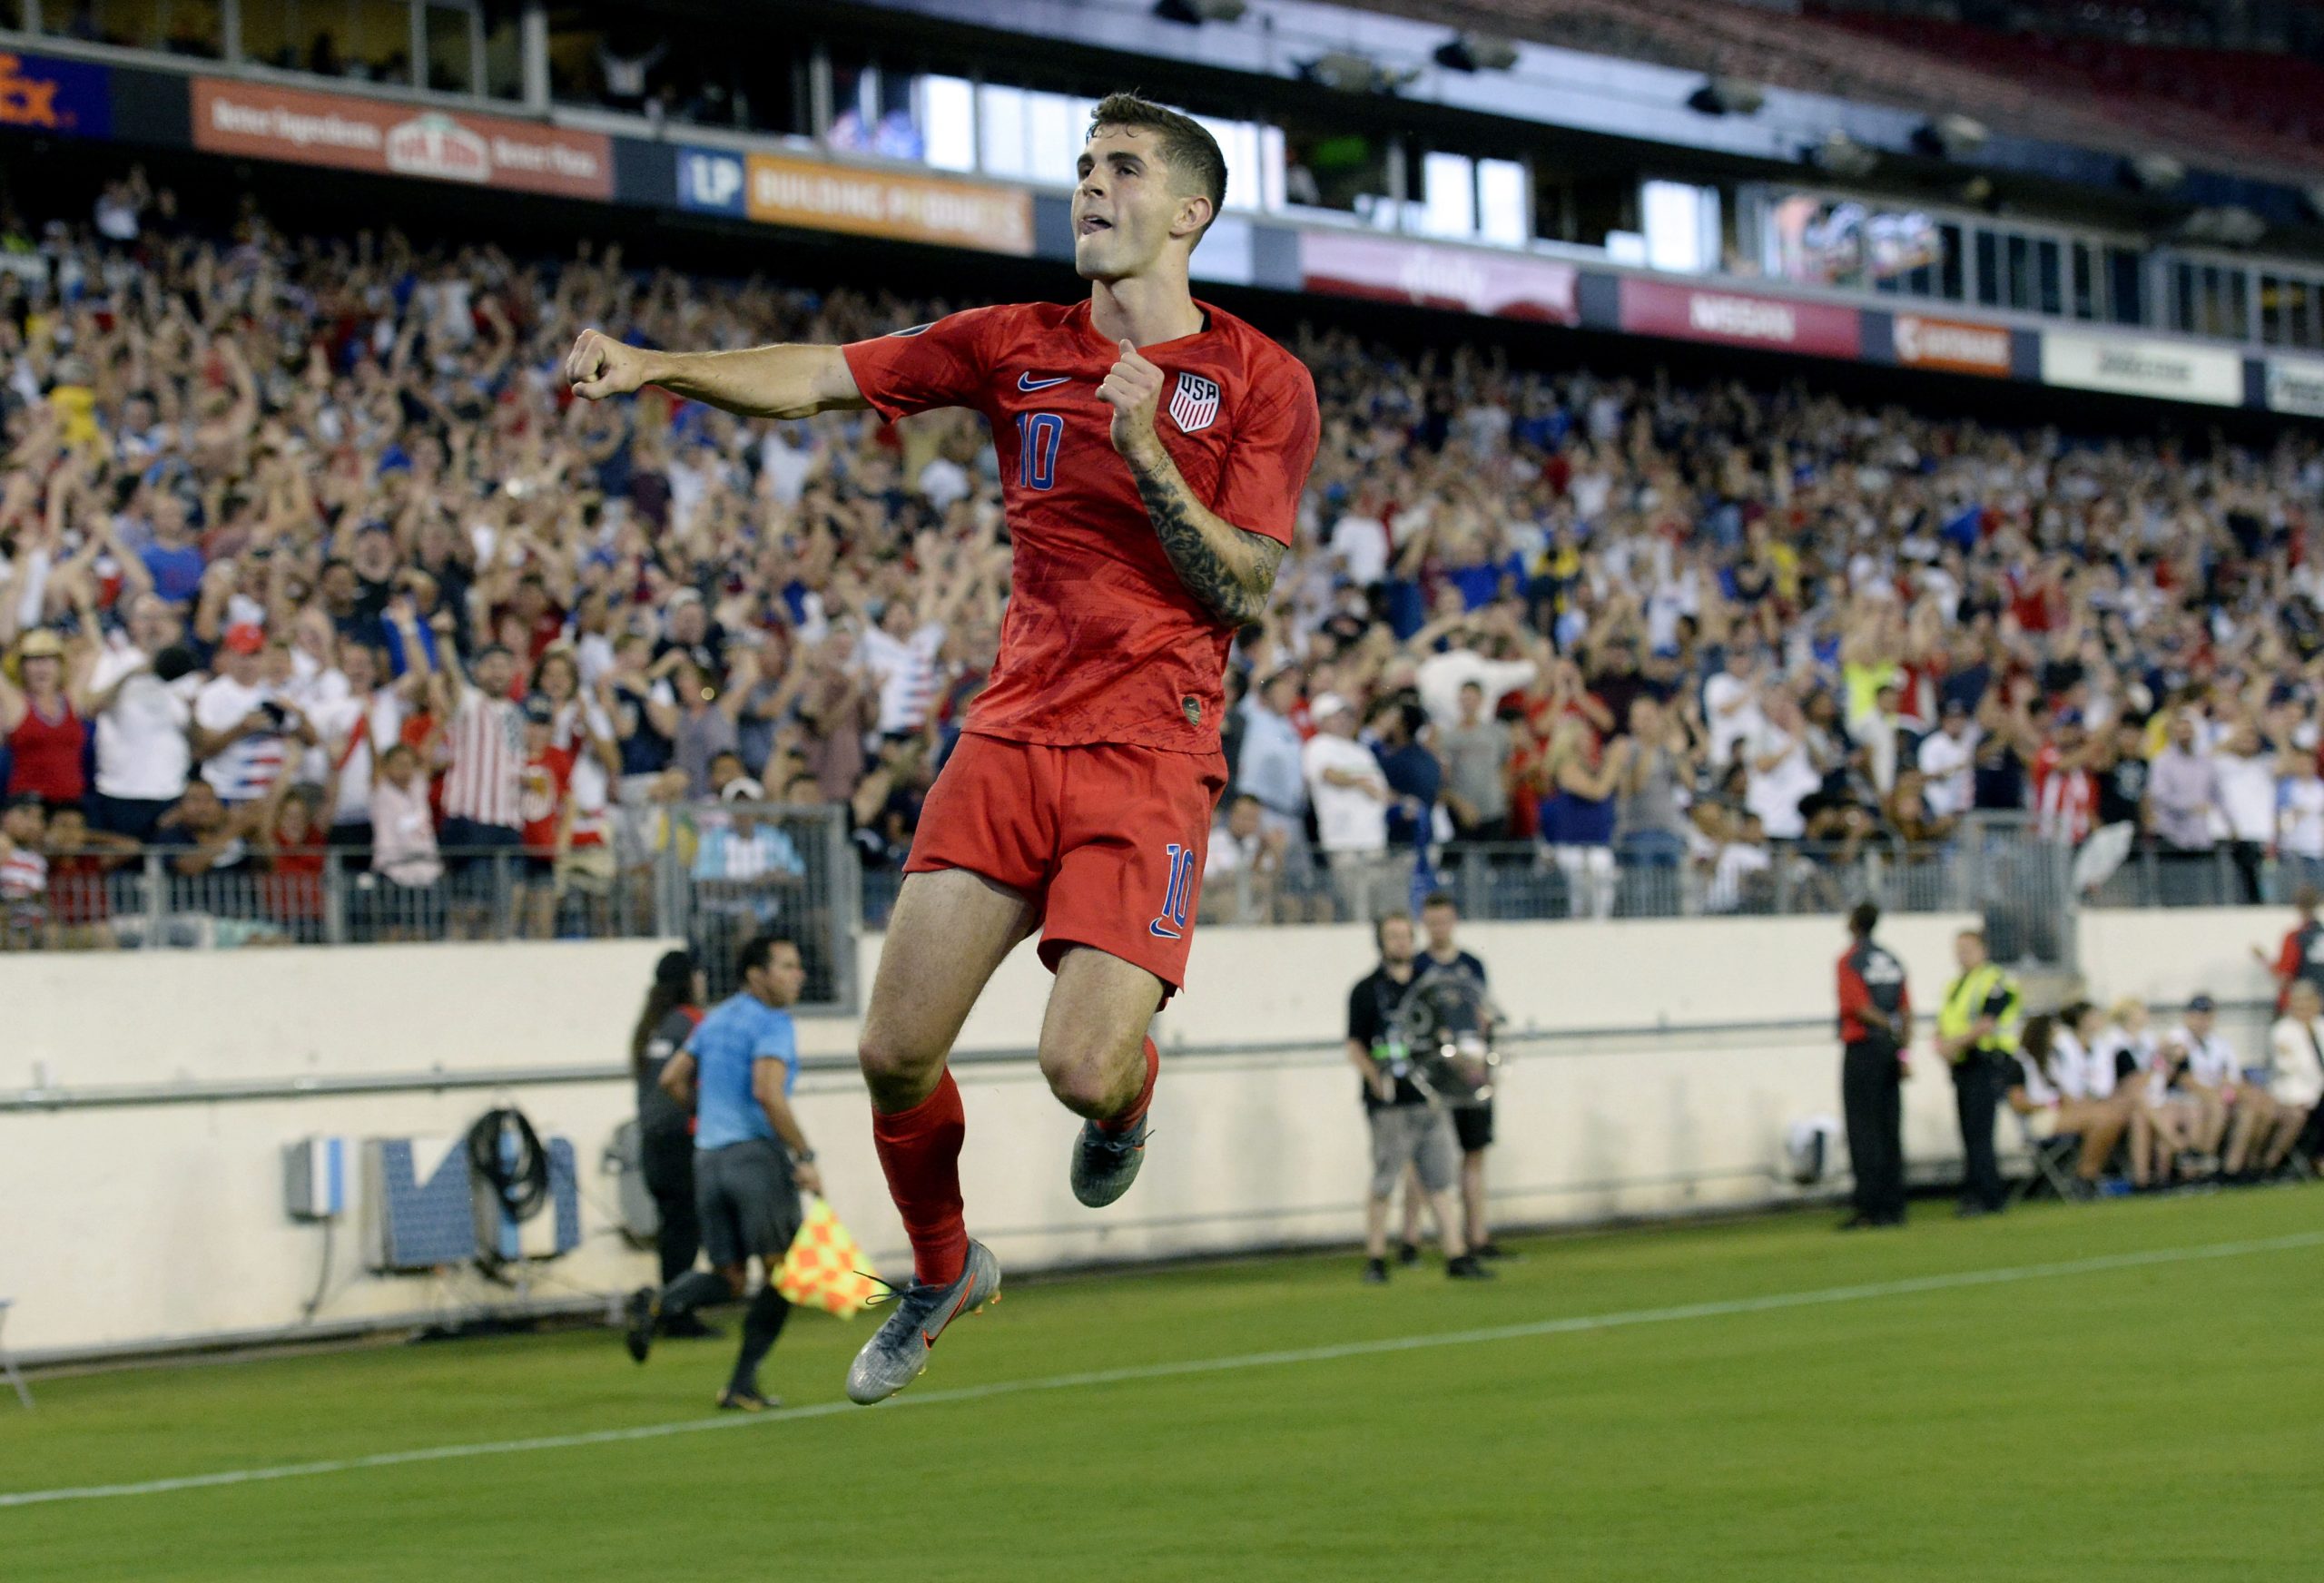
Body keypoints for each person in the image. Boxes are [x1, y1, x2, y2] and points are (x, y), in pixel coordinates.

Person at [567, 92, 1320, 1405]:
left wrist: (1146, 452)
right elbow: (820, 376)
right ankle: (945, 1262)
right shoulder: (1012, 342)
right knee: (889, 1051)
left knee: (1079, 1069)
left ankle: (1129, 1099)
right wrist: (658, 367)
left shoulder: (1260, 380)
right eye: (1085, 166)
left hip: (1153, 752)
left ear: (1190, 213)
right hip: (1012, 731)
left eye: (1123, 168)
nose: (1091, 185)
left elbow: (1246, 583)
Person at [622, 934, 821, 1411]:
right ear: (756, 974)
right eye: (787, 966)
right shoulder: (773, 1023)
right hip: (754, 1159)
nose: (799, 975)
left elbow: (671, 1079)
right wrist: (805, 1155)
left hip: (707, 1161)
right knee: (783, 1274)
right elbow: (769, 1093)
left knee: (729, 1277)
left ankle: (661, 1303)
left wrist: (706, 1111)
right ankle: (741, 1384)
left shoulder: (714, 1020)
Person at [1345, 913, 1492, 1284]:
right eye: (1392, 936)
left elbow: (1445, 1039)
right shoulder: (1365, 990)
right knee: (1385, 1180)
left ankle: (1456, 1254)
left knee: (1440, 1181)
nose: (1400, 943)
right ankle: (1376, 1257)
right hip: (1390, 1104)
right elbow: (1355, 1045)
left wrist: (1466, 1069)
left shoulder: (1430, 989)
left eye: (1404, 936)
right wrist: (1374, 1079)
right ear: (1381, 942)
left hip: (1428, 1098)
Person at [1403, 891, 1502, 1257]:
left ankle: (1478, 1236)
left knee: (1474, 1153)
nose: (1438, 928)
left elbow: (1483, 1014)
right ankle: (1411, 1239)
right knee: (1422, 1159)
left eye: (1444, 920)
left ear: (1454, 920)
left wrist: (1483, 1063)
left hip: (1472, 1074)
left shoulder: (1472, 965)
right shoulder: (1416, 967)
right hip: (1434, 1077)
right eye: (1432, 922)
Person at [629, 948, 716, 1335]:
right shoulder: (693, 1022)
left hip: (652, 1142)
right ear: (692, 980)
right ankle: (675, 1311)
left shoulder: (652, 1026)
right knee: (688, 1227)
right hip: (681, 1139)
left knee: (674, 1228)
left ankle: (667, 1309)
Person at [1934, 927, 2020, 1216]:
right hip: (1964, 1063)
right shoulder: (1956, 985)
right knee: (1970, 1130)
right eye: (1958, 949)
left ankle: (1988, 1195)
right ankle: (1975, 1192)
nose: (1962, 955)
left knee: (1981, 1130)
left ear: (1983, 950)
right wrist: (1942, 1046)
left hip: (1987, 1060)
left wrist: (1952, 1044)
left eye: (1968, 948)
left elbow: (1987, 1022)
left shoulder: (1994, 980)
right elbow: (1946, 1021)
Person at [1837, 902, 1912, 1229]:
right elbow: (1907, 1009)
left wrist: (1885, 1026)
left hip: (1864, 1048)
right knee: (1890, 1127)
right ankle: (1895, 1205)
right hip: (1891, 1051)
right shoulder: (1893, 960)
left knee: (1863, 1129)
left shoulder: (1849, 960)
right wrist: (1902, 1049)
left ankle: (1871, 1207)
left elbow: (1858, 1007)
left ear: (1854, 924)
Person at [2253, 978, 2324, 1177]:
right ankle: (2273, 1164)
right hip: (2294, 1091)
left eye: (2308, 1002)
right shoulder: (2282, 1030)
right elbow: (2289, 1067)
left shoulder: (2321, 1025)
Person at [2163, 993, 2238, 1175]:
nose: (2201, 1022)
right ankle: (2195, 1163)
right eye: (2197, 1016)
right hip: (2176, 1096)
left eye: (2206, 1017)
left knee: (2221, 1106)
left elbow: (2229, 1075)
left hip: (2206, 1096)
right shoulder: (2177, 1037)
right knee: (2203, 1110)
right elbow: (2183, 1077)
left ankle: (2206, 1162)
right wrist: (2212, 1094)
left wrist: (2222, 1091)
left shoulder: (2217, 1043)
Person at [2250, 886, 2324, 1017]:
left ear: (2297, 906)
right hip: (2318, 1008)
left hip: (2299, 1010)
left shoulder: (2295, 937)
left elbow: (2284, 978)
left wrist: (2263, 959)